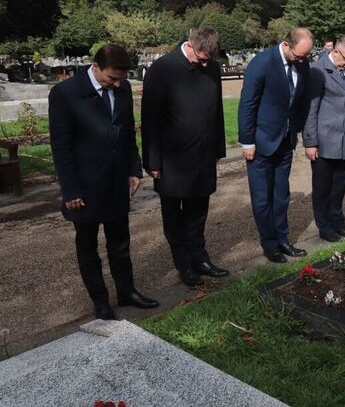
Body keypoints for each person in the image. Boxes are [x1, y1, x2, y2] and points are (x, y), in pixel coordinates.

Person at [49, 44, 159, 320]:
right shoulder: (65, 94)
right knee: (87, 248)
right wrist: (70, 189)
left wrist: (134, 169)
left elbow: (127, 134)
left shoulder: (121, 90)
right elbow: (60, 146)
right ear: (95, 66)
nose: (117, 83)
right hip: (84, 186)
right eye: (111, 78)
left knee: (120, 243)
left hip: (116, 182)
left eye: (121, 78)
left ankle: (127, 291)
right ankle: (100, 301)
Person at [141, 27, 230, 287]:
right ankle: (184, 265)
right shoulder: (162, 69)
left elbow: (217, 112)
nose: (204, 64)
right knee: (174, 217)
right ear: (190, 44)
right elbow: (150, 120)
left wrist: (217, 149)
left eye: (208, 60)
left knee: (198, 213)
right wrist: (152, 161)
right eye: (201, 58)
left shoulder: (211, 68)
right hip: (172, 160)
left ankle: (200, 259)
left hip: (203, 156)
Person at [238, 28, 314, 263]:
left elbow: (301, 99)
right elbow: (247, 104)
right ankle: (269, 244)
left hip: (286, 140)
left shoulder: (301, 64)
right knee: (262, 198)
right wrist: (247, 141)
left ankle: (283, 239)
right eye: (299, 55)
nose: (303, 60)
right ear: (286, 44)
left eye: (306, 56)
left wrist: (297, 129)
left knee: (281, 195)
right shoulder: (262, 63)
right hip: (261, 142)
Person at [302, 36, 345, 243]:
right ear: (336, 52)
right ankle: (324, 226)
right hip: (324, 139)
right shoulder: (318, 71)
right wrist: (310, 141)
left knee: (339, 185)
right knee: (322, 187)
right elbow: (311, 108)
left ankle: (338, 222)